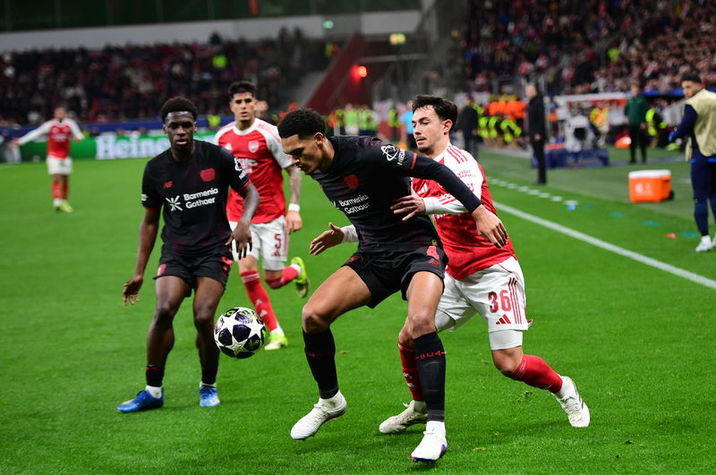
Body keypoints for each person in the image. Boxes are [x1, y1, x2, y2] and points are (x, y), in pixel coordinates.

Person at [310, 95, 590, 439]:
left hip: (493, 271)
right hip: (453, 275)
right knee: (409, 336)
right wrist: (346, 234)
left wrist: (426, 205)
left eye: (424, 122)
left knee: (509, 363)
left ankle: (564, 388)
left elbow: (465, 200)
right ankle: (419, 407)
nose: (417, 129)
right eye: (414, 123)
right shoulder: (414, 172)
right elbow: (397, 216)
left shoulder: (460, 161)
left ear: (446, 126)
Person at [277, 108, 508, 462]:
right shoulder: (317, 168)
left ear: (319, 140)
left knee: (420, 323)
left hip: (417, 248)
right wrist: (345, 235)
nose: (294, 161)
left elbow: (434, 169)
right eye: (289, 155)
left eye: (298, 152)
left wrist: (478, 210)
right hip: (373, 254)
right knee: (312, 315)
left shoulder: (369, 152)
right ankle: (330, 401)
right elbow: (371, 212)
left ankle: (436, 430)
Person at [118, 97, 259, 413]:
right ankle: (153, 391)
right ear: (165, 129)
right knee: (163, 310)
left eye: (186, 125)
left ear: (195, 126)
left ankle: (208, 385)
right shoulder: (155, 170)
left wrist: (244, 222)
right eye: (174, 126)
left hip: (214, 250)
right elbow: (150, 221)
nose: (180, 131)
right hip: (176, 252)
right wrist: (139, 271)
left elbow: (251, 191)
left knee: (203, 316)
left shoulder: (217, 157)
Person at [215, 80, 309, 351]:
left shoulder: (270, 134)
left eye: (248, 101)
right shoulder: (222, 138)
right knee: (247, 272)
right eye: (239, 102)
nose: (244, 106)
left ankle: (296, 270)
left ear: (255, 104)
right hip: (239, 218)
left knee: (273, 280)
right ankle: (275, 332)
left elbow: (293, 170)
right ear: (231, 106)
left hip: (272, 216)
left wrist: (294, 209)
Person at [669, 73, 716, 252]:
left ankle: (705, 238)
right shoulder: (714, 98)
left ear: (698, 84)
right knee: (715, 195)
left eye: (688, 87)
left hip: (701, 153)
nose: (685, 91)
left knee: (699, 197)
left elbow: (683, 129)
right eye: (683, 88)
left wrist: (673, 135)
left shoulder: (694, 103)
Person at [13, 106, 83, 212]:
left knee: (65, 178)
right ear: (54, 114)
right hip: (53, 155)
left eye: (61, 113)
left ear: (65, 114)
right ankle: (57, 202)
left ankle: (64, 201)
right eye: (57, 113)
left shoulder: (70, 124)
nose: (59, 115)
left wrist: (79, 137)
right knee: (56, 176)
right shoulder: (50, 125)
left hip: (65, 156)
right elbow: (36, 133)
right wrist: (21, 141)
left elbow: (78, 133)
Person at [526, 84, 547, 184]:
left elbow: (540, 119)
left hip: (537, 134)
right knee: (538, 156)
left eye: (529, 91)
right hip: (533, 133)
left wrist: (538, 133)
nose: (527, 93)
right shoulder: (532, 102)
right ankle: (541, 178)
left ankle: (542, 179)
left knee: (540, 156)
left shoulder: (537, 102)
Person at [624, 82, 649, 164]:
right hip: (632, 123)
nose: (634, 91)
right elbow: (626, 110)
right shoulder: (630, 100)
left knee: (641, 141)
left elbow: (645, 111)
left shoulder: (642, 100)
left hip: (640, 123)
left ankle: (643, 158)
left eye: (636, 89)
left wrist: (644, 122)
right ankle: (633, 158)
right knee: (632, 141)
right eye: (633, 89)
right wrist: (626, 117)